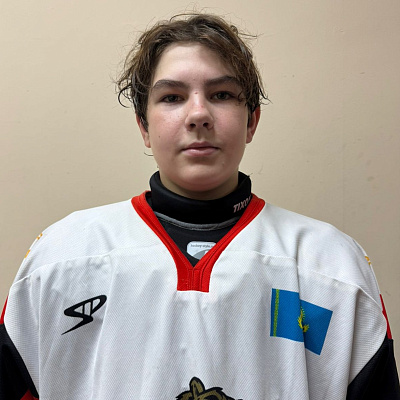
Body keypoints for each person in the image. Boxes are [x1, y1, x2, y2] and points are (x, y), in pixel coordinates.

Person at [0, 12, 399, 400]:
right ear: (144, 126)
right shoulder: (62, 257)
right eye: (172, 97)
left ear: (252, 121)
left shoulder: (330, 265)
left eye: (221, 94)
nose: (198, 114)